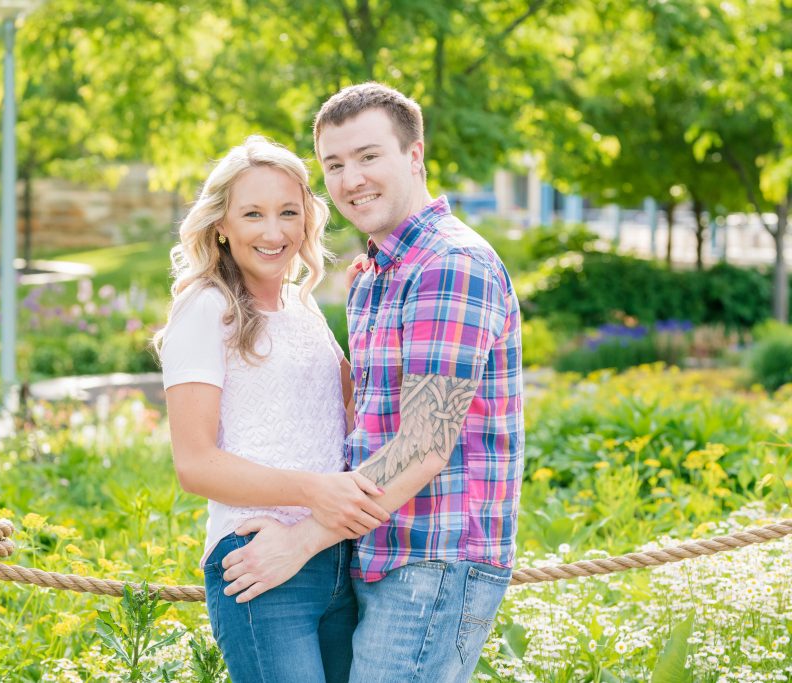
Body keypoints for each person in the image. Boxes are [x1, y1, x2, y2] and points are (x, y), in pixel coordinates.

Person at [218, 83, 525, 683]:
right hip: (379, 549)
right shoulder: (373, 275)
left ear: (414, 157)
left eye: (368, 156)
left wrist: (302, 540)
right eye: (334, 164)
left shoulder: (449, 265)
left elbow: (424, 445)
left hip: (434, 557)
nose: (351, 178)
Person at [155, 135, 391, 683]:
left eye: (289, 213)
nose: (273, 231)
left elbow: (350, 419)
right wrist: (315, 491)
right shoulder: (204, 309)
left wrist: (368, 308)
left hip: (336, 556)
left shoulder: (303, 310)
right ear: (221, 225)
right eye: (253, 214)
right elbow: (195, 465)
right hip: (258, 565)